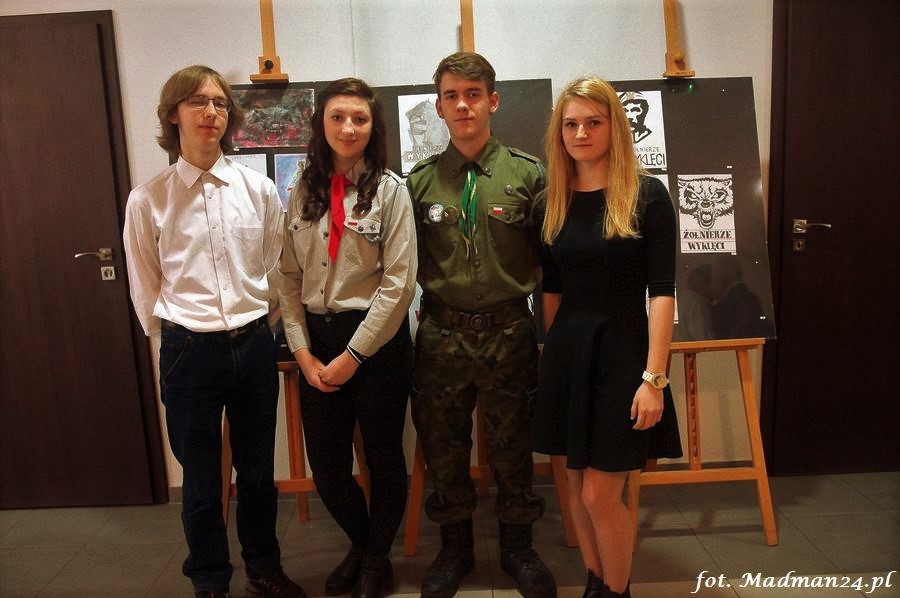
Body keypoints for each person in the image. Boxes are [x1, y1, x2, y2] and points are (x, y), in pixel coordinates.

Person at [122, 65, 305, 598]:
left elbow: (273, 269)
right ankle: (209, 579)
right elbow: (145, 285)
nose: (211, 112)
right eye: (197, 102)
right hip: (188, 351)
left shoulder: (258, 190)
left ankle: (264, 569)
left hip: (251, 344)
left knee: (257, 471)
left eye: (220, 103)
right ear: (172, 115)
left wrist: (258, 323)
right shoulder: (148, 199)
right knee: (200, 479)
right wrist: (175, 337)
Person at [406, 52, 556, 598]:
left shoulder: (529, 174)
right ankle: (455, 548)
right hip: (441, 334)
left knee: (513, 444)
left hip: (509, 331)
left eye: (473, 94)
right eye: (451, 96)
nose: (463, 105)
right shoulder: (419, 183)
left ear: (493, 100)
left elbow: (550, 261)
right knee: (443, 446)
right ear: (439, 107)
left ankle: (518, 546)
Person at [531, 76, 683, 598]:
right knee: (575, 486)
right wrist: (553, 356)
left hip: (625, 356)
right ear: (559, 132)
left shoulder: (647, 196)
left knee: (599, 493)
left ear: (614, 126)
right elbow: (551, 289)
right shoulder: (549, 203)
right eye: (571, 124)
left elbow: (662, 293)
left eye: (593, 122)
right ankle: (597, 583)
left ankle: (617, 591)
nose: (581, 133)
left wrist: (654, 378)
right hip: (568, 354)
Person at [278, 78, 417, 598]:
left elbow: (399, 284)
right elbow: (288, 278)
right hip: (317, 342)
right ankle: (364, 544)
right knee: (328, 467)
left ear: (373, 126)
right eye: (337, 116)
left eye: (359, 118)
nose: (348, 127)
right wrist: (302, 351)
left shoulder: (391, 191)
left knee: (384, 458)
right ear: (322, 123)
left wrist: (354, 355)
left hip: (377, 344)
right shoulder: (302, 189)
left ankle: (376, 560)